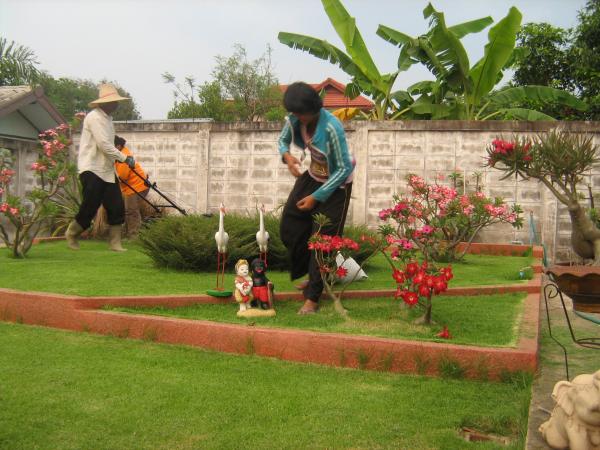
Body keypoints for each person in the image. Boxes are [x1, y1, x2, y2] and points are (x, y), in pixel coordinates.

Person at [278, 82, 355, 314]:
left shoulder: (332, 128)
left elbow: (342, 169)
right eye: (293, 112)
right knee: (290, 225)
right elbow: (282, 141)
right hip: (313, 176)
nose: (294, 116)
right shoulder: (295, 120)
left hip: (337, 185)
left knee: (322, 242)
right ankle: (312, 277)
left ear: (312, 109)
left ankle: (312, 297)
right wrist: (287, 157)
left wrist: (315, 197)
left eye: (299, 112)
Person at [64, 83, 135, 251]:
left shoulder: (108, 120)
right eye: (114, 101)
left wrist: (121, 157)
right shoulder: (94, 117)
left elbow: (109, 144)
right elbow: (103, 144)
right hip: (92, 169)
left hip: (108, 171)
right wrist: (124, 158)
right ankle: (72, 233)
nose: (117, 105)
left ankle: (115, 243)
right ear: (104, 103)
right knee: (91, 205)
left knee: (116, 205)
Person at [114, 135, 153, 238]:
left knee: (131, 211)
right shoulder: (119, 155)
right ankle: (129, 234)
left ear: (118, 146)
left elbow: (122, 176)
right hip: (132, 187)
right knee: (129, 211)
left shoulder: (124, 156)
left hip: (137, 186)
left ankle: (133, 236)